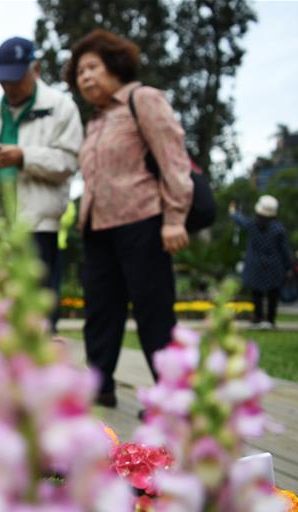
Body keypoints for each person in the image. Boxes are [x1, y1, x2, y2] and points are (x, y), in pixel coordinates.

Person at [65, 28, 192, 407]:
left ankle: (172, 398)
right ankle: (100, 385)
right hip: (98, 227)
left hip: (143, 220)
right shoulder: (97, 120)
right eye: (79, 72)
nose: (85, 76)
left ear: (115, 65)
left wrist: (175, 217)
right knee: (100, 312)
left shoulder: (143, 99)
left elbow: (173, 160)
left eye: (92, 67)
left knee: (154, 310)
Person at [0, 36, 83, 304]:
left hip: (36, 225)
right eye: (4, 81)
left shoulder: (61, 107)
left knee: (35, 310)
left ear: (35, 69)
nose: (10, 87)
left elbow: (68, 162)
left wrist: (24, 156)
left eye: (16, 79)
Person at [230, 195, 293, 329]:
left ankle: (258, 317)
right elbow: (285, 250)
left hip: (255, 265)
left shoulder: (253, 225)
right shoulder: (279, 229)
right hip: (274, 266)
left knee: (256, 293)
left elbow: (240, 220)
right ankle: (270, 320)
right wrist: (288, 267)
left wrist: (234, 212)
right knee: (273, 294)